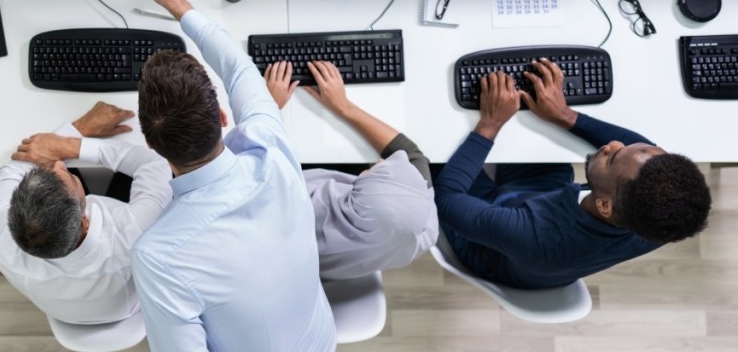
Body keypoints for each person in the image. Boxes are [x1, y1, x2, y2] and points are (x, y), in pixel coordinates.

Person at [128, 0, 336, 351]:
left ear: (153, 145)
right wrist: (178, 3)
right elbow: (238, 67)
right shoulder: (270, 147)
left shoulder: (159, 257)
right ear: (224, 117)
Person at [434, 60, 712, 289]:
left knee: (434, 151)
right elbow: (645, 151)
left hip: (492, 247)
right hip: (543, 205)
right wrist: (565, 116)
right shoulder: (661, 219)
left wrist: (490, 123)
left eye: (613, 156)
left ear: (605, 205)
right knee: (535, 139)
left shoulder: (536, 235)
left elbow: (447, 199)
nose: (611, 144)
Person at [0, 101, 172, 325]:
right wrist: (71, 143)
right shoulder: (133, 238)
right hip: (128, 306)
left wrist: (72, 134)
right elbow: (156, 164)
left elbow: (13, 170)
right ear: (84, 222)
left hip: (64, 310)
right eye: (69, 177)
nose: (59, 165)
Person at [264, 59, 438, 280]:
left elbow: (253, 159)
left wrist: (268, 108)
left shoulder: (285, 202)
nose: (380, 162)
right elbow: (413, 156)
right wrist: (342, 105)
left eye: (379, 172)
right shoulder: (424, 233)